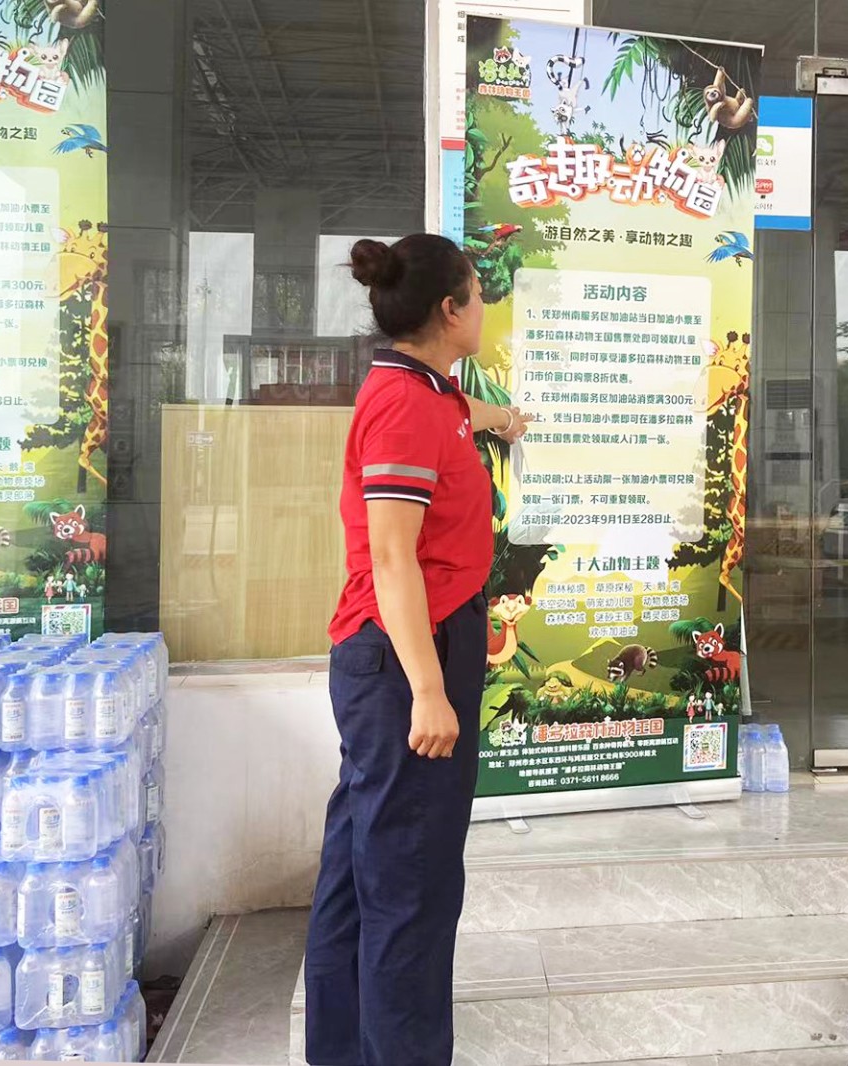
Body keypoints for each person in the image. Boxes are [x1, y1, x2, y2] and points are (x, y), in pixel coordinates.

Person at [303, 234, 530, 1065]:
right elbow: (393, 555)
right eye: (478, 293)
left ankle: (344, 1052)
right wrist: (428, 690)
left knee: (362, 872)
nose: (485, 307)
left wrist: (503, 419)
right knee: (412, 884)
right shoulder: (405, 403)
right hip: (409, 655)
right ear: (449, 309)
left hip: (407, 646)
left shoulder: (428, 391)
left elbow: (458, 416)